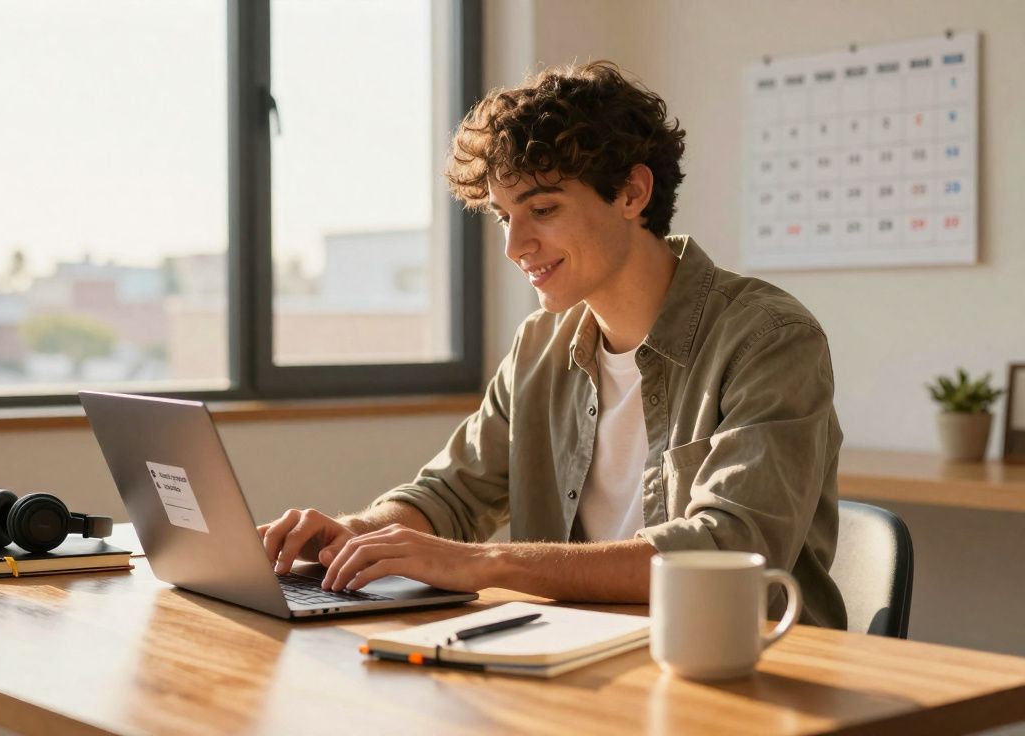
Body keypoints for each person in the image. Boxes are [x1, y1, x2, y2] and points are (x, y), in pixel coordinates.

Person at [258, 61, 846, 629]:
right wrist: (359, 533)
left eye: (542, 209)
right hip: (580, 661)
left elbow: (726, 549)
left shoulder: (769, 339)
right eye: (503, 217)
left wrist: (484, 564)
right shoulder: (540, 343)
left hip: (745, 672)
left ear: (632, 193)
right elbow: (453, 493)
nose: (516, 245)